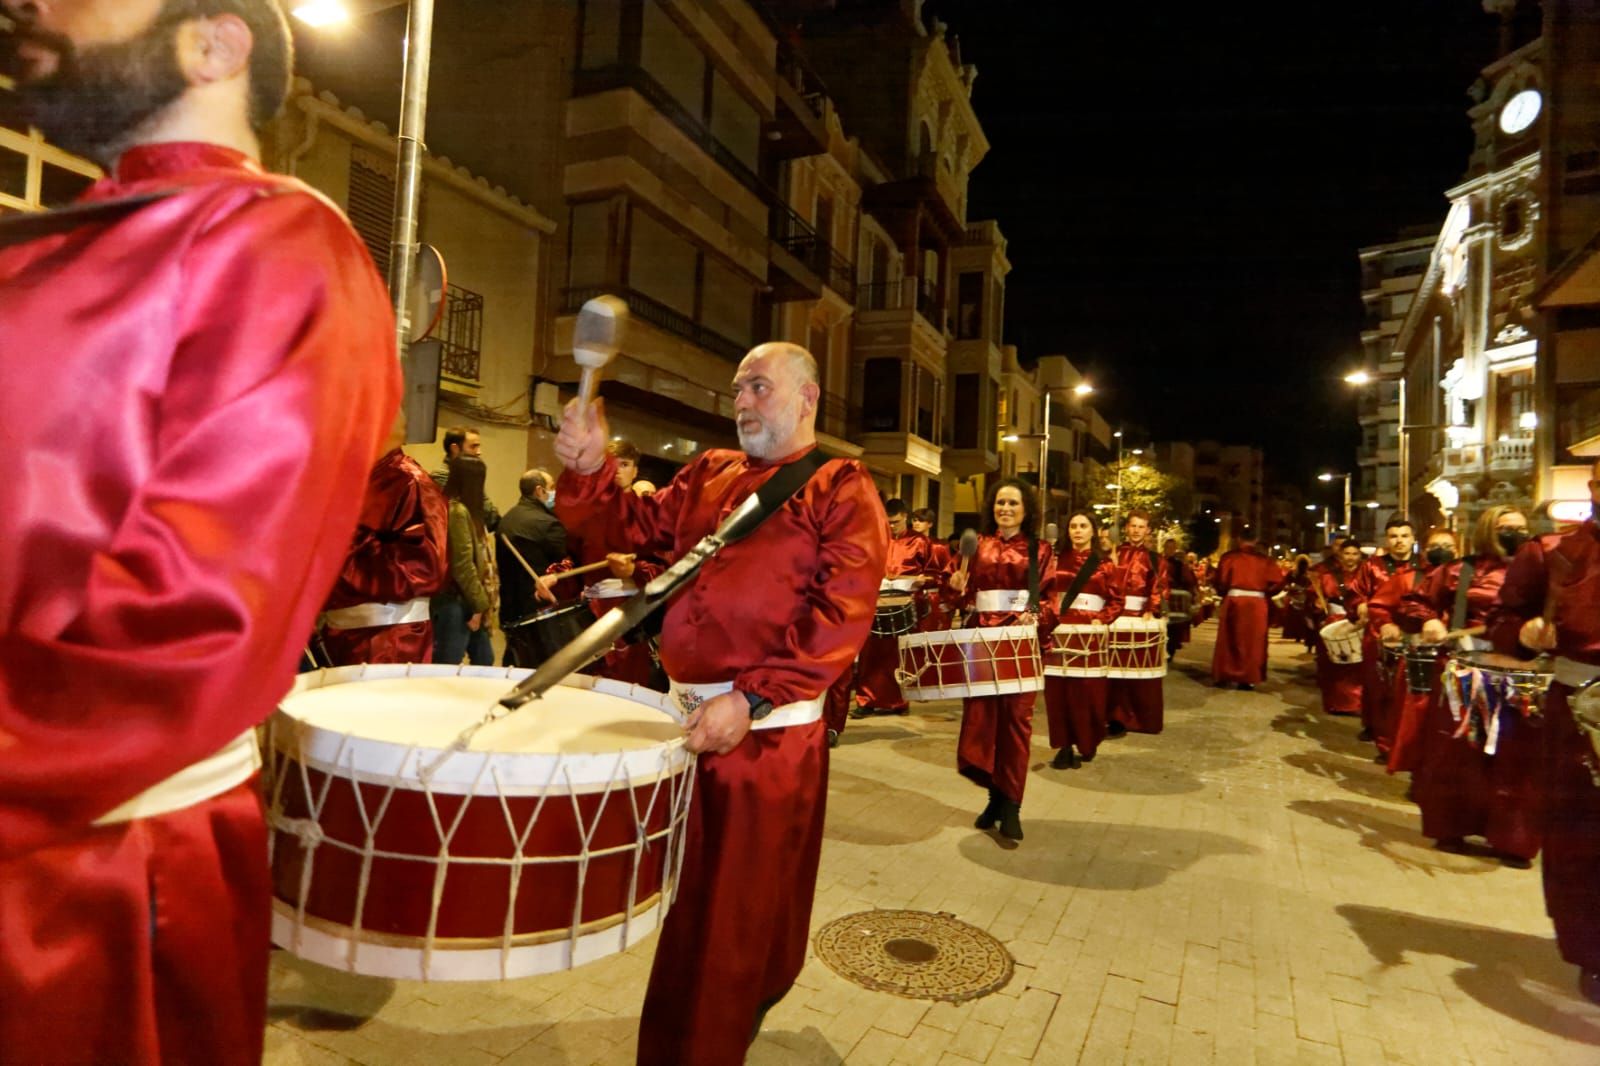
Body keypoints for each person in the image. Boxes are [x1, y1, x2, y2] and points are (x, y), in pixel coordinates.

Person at [0, 3, 402, 1063]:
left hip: (93, 867)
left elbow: (195, 615)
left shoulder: (279, 240)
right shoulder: (57, 238)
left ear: (213, 43)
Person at [553, 342, 886, 1065]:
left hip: (762, 738)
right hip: (690, 723)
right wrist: (589, 469)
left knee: (730, 915)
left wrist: (753, 697)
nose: (741, 403)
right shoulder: (709, 473)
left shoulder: (840, 486)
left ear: (808, 399)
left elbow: (841, 614)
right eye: (738, 390)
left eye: (759, 388)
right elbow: (629, 531)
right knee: (691, 906)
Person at [1487, 466, 1600, 1001]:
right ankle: (1592, 952)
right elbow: (1503, 622)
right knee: (1582, 836)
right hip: (1583, 710)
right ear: (1595, 488)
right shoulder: (1552, 552)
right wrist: (1527, 634)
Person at [1397, 505, 1537, 865]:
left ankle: (1512, 839)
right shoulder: (1461, 570)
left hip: (1522, 675)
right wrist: (1428, 621)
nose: (1516, 534)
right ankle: (1452, 827)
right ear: (1489, 529)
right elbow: (1415, 602)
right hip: (1465, 672)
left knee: (1515, 756)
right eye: (1507, 527)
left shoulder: (1540, 570)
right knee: (1459, 753)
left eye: (1521, 528)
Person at [945, 478, 1054, 840]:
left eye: (1013, 503)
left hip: (1020, 645)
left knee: (1016, 724)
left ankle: (1012, 805)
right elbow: (960, 599)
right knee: (983, 722)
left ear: (1027, 509)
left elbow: (1050, 600)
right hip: (981, 642)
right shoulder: (978, 546)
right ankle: (994, 796)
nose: (1005, 508)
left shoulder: (1040, 549)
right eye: (1000, 503)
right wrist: (956, 588)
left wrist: (1037, 614)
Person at [317, 414, 450, 666]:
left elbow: (425, 567)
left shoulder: (411, 481)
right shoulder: (351, 479)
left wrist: (343, 544)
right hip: (339, 633)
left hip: (387, 638)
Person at [1040, 510, 1121, 769]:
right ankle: (1064, 746)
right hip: (1060, 630)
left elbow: (1117, 599)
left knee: (1089, 693)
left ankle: (1088, 740)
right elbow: (1044, 593)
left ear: (1093, 531)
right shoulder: (1054, 560)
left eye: (1083, 526)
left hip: (1090, 633)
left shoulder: (1104, 563)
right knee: (1058, 693)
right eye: (1073, 525)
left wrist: (1103, 619)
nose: (1077, 530)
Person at [1376, 528, 1460, 772]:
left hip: (1455, 662)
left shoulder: (1470, 581)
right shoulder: (1407, 579)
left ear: (1457, 551)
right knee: (1415, 717)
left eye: (1447, 545)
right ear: (1424, 550)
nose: (1442, 550)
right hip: (1417, 658)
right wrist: (1387, 624)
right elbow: (1380, 607)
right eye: (1435, 545)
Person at [852, 498, 934, 718]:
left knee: (900, 655)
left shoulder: (920, 542)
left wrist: (923, 580)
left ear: (906, 517)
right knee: (871, 654)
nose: (891, 526)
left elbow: (934, 573)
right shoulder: (875, 539)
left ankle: (899, 701)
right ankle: (866, 700)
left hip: (906, 605)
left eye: (896, 522)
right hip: (876, 604)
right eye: (888, 522)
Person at [1352, 517, 1417, 743]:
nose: (1399, 541)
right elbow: (1357, 592)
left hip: (1411, 632)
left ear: (1413, 539)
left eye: (1404, 536)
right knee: (1375, 681)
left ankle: (1399, 733)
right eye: (1394, 536)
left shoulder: (1423, 566)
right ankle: (1373, 725)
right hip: (1378, 631)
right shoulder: (1372, 565)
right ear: (1387, 540)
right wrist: (1360, 604)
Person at [1106, 509, 1169, 735]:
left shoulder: (1154, 558)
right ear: (1126, 528)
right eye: (1133, 526)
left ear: (1148, 530)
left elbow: (1159, 587)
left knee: (1139, 676)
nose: (1136, 530)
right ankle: (1114, 717)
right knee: (1113, 675)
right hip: (1115, 617)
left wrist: (1151, 610)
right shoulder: (1114, 554)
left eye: (1141, 526)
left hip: (1140, 619)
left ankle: (1140, 719)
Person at [495, 468, 565, 666]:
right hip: (539, 609)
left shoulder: (507, 520)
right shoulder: (548, 524)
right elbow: (563, 564)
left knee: (515, 662)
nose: (554, 493)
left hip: (510, 606)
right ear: (539, 490)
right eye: (551, 488)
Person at [433, 455, 498, 667]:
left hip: (464, 599)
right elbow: (463, 565)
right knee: (448, 667)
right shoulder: (457, 511)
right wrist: (480, 605)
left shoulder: (459, 509)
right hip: (458, 601)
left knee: (484, 660)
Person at [1211, 525, 1284, 690]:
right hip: (1257, 603)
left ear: (1238, 539)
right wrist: (1265, 593)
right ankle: (1248, 677)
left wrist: (1224, 592)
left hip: (1234, 599)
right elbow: (1278, 582)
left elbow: (1220, 581)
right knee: (1253, 641)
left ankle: (1225, 674)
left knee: (1229, 639)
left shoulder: (1229, 557)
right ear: (1256, 541)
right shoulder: (1265, 560)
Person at [1310, 537, 1367, 716]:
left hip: (1359, 621)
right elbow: (1314, 596)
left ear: (1360, 555)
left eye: (1354, 554)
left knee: (1359, 663)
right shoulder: (1327, 575)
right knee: (1335, 663)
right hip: (1335, 619)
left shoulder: (1366, 574)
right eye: (1347, 553)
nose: (1350, 557)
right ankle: (1337, 703)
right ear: (1340, 555)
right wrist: (1317, 604)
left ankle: (1357, 703)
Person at [430, 426, 501, 531]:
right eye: (473, 447)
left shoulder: (469, 474)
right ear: (455, 449)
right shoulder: (441, 476)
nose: (479, 452)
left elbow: (491, 517)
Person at [912, 506, 954, 631]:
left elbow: (948, 572)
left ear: (930, 524)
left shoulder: (939, 547)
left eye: (920, 520)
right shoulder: (906, 545)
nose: (916, 523)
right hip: (911, 596)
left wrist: (947, 600)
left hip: (933, 597)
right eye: (914, 520)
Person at [1161, 536, 1197, 660]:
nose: (1170, 550)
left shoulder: (1179, 565)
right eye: (1168, 547)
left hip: (1175, 601)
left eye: (1172, 548)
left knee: (1173, 627)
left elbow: (1189, 581)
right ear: (1164, 548)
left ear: (1175, 549)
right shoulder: (1157, 560)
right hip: (1161, 598)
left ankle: (1170, 650)